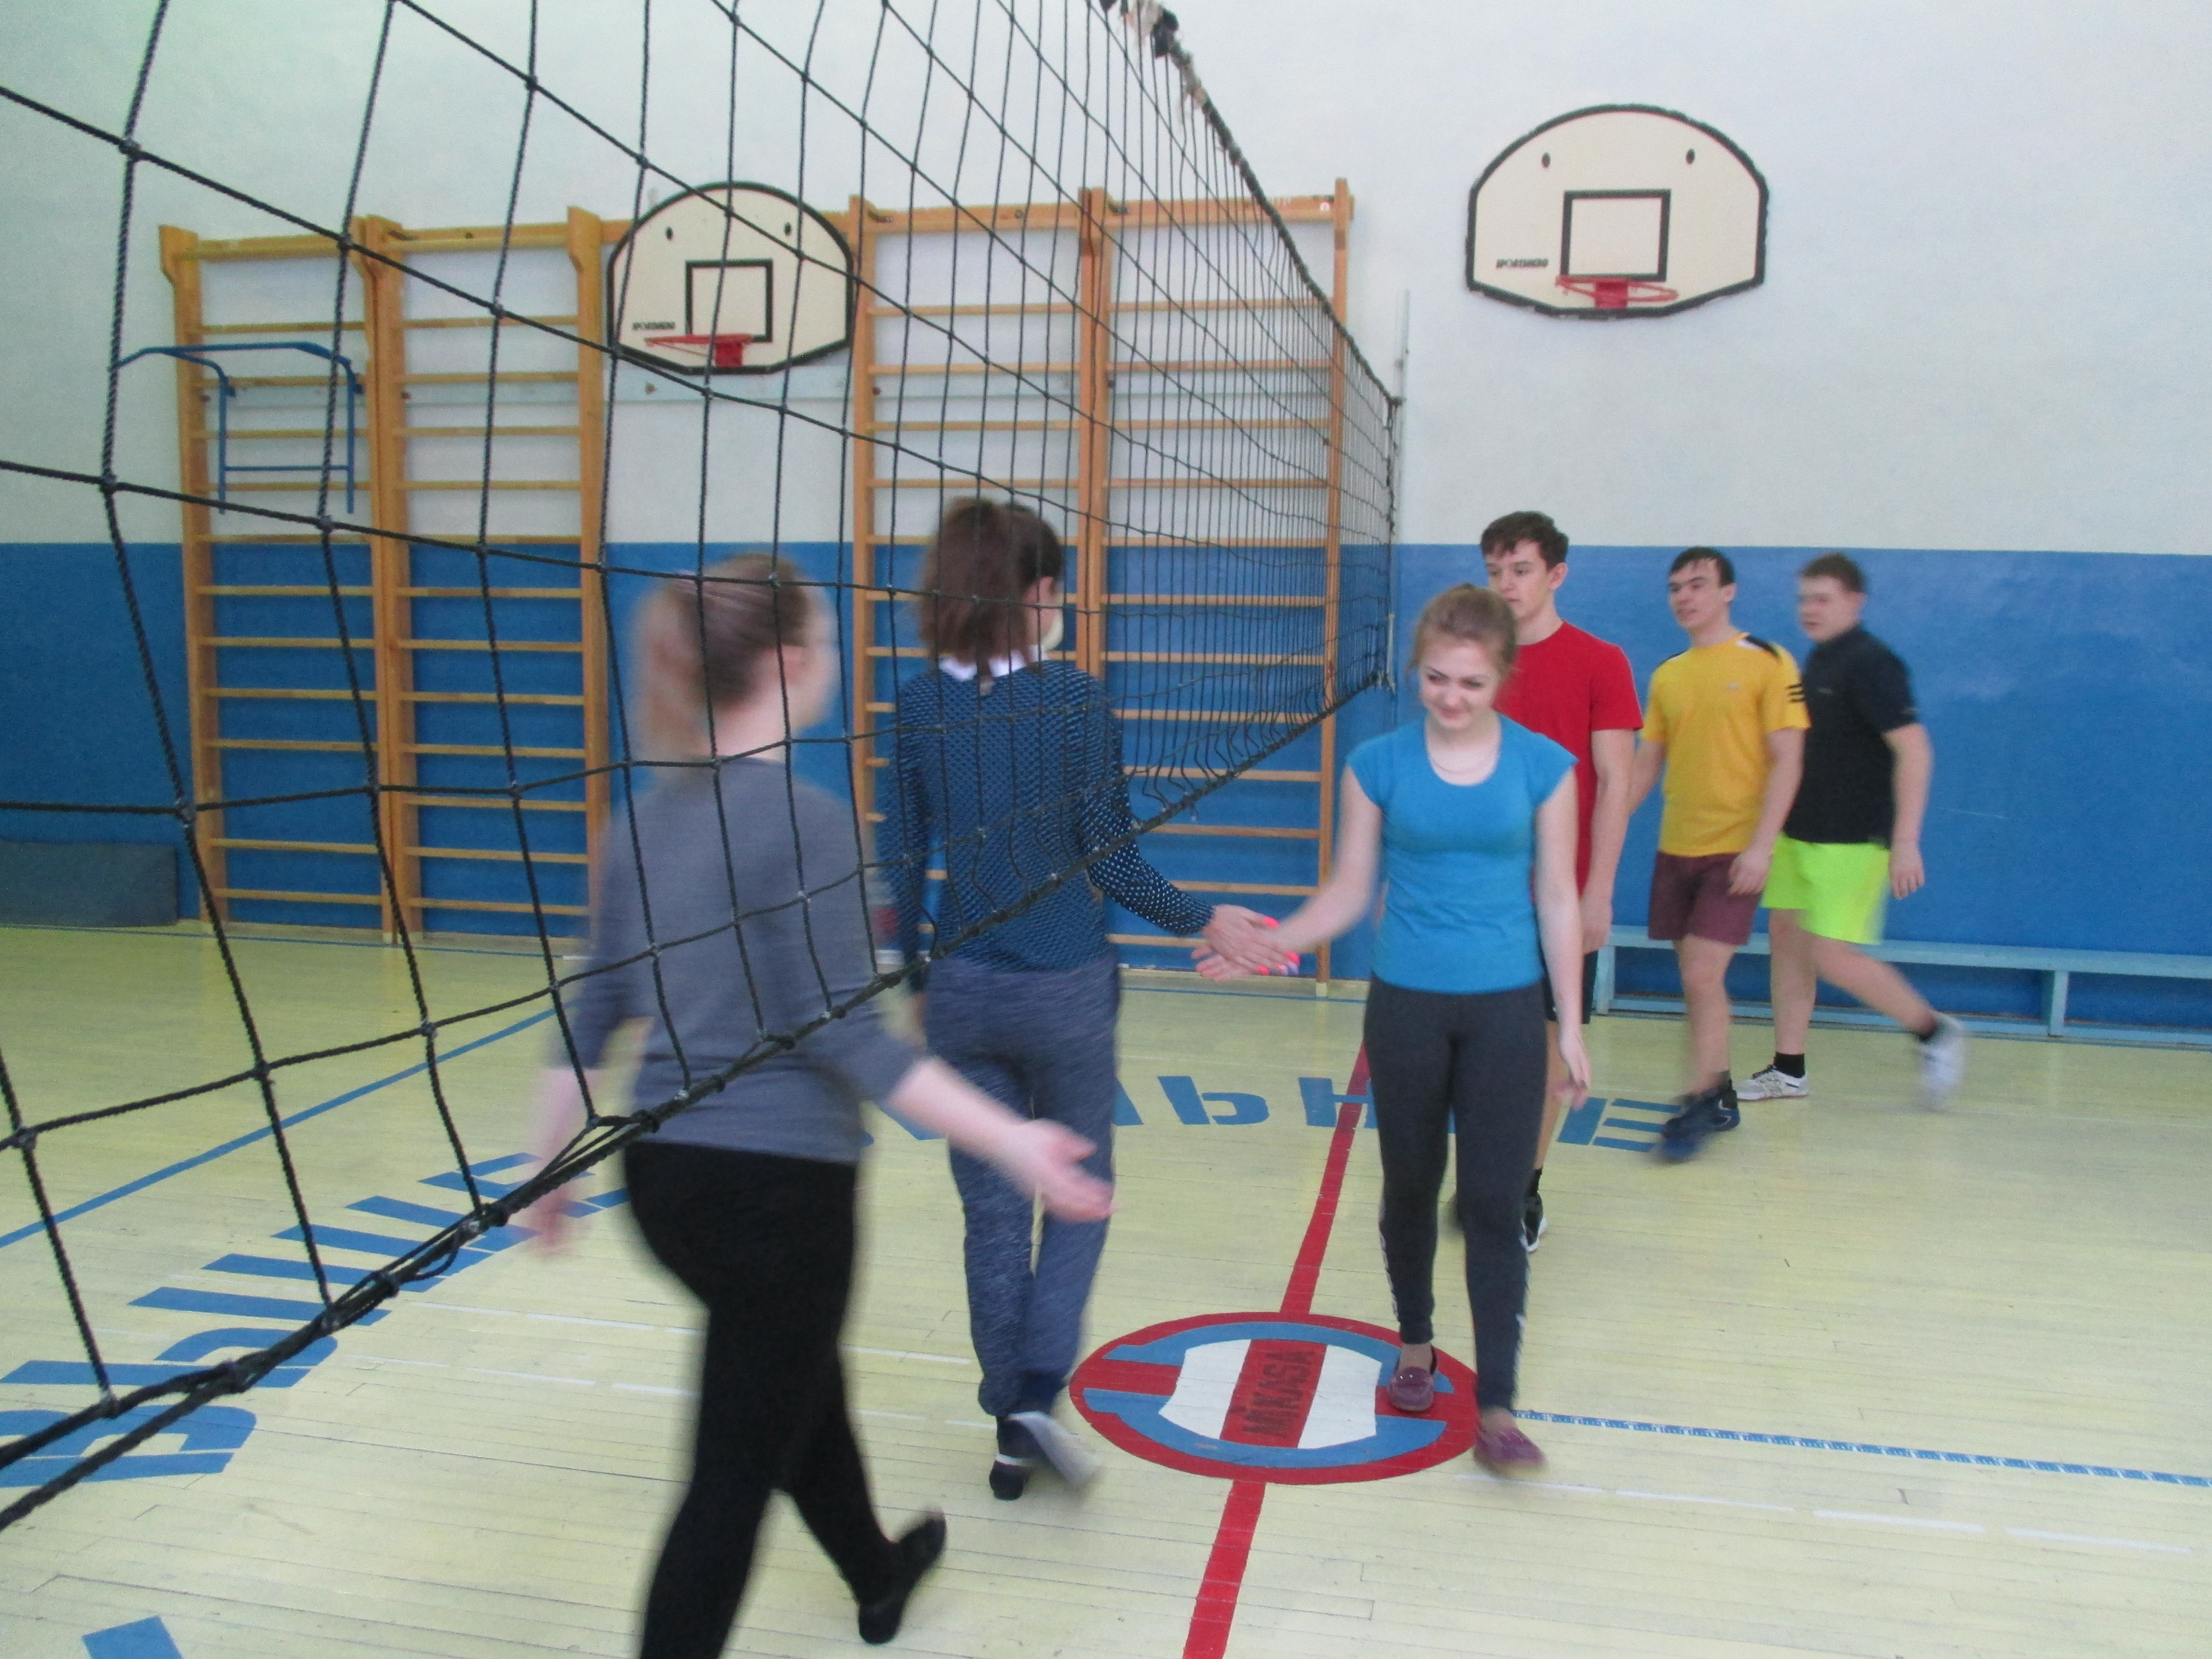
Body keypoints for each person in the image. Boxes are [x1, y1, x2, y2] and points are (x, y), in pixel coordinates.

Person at [524, 554, 1112, 1657]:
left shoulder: (639, 821)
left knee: (791, 1380)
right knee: (730, 1475)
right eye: (831, 641)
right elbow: (849, 1039)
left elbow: (594, 1006)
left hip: (664, 1186)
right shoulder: (809, 821)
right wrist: (1015, 1139)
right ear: (794, 663)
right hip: (781, 1197)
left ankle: (877, 1573)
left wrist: (542, 1167)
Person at [884, 500, 1277, 1502]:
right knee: (1079, 1196)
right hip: (1064, 992)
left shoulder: (918, 704)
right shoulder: (1074, 700)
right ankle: (1034, 1395)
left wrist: (919, 983)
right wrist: (1202, 919)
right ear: (1042, 592)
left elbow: (901, 862)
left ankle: (1007, 1421)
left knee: (990, 1218)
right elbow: (1112, 859)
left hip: (962, 991)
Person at [1198, 584, 1587, 1473]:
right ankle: (1415, 1345)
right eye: (1436, 678)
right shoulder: (1378, 764)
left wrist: (1567, 1022)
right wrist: (1268, 945)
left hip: (1505, 1011)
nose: (1451, 697)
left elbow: (1559, 898)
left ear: (1502, 678)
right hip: (1407, 1007)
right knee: (1410, 1187)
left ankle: (1497, 1407)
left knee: (1493, 1205)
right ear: (1417, 669)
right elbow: (1348, 890)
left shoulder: (1544, 768)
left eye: (1472, 683)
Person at [1738, 553, 1968, 1106]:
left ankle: (1935, 1032)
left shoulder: (1873, 663)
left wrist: (1906, 842)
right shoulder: (1818, 661)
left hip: (1851, 842)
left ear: (1855, 602)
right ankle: (1788, 1069)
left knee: (1832, 955)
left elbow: (1915, 751)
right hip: (1799, 835)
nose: (1810, 609)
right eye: (1804, 599)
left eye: (1823, 599)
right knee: (1788, 944)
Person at [1480, 511, 1641, 1246]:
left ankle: (1525, 1186)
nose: (1506, 584)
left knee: (1547, 1044)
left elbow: (1615, 782)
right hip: (1479, 896)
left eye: (1520, 570)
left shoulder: (1601, 662)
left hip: (1560, 898)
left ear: (1556, 574)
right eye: (1495, 572)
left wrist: (1598, 892)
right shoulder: (1475, 661)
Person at [1625, 548, 1808, 1161]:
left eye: (1698, 585)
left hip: (1735, 851)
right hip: (1677, 847)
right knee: (1697, 981)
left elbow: (1789, 759)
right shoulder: (1669, 674)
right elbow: (1647, 764)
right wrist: (1603, 827)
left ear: (1727, 592)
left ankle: (1701, 1102)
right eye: (1676, 587)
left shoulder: (1767, 661)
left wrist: (1762, 846)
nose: (1685, 596)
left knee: (1704, 974)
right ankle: (1720, 1092)